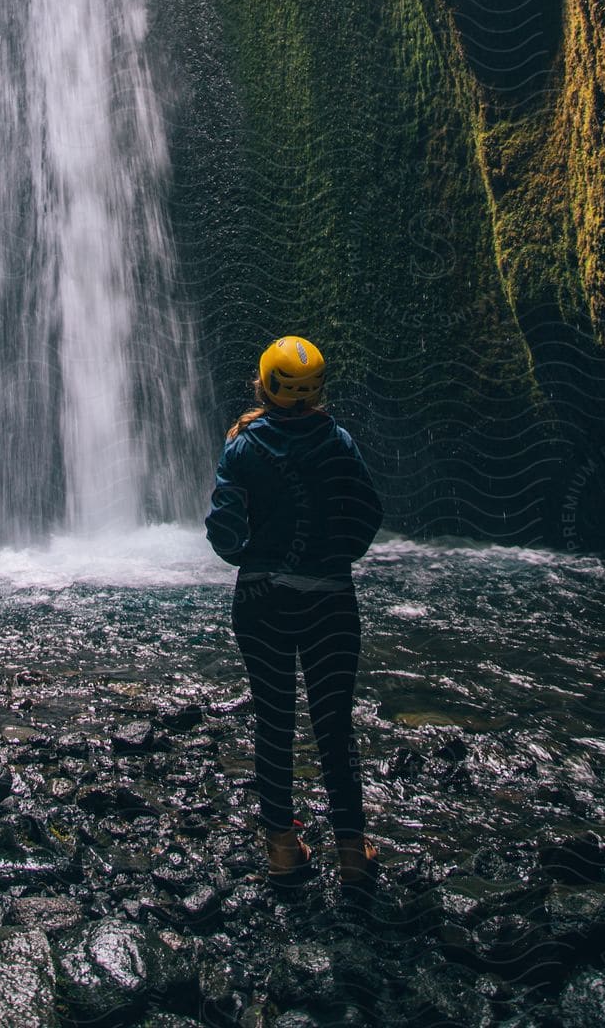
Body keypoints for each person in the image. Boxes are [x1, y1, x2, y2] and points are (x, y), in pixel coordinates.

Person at [205, 335, 384, 890]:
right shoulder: (340, 442)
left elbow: (225, 531)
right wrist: (332, 559)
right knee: (334, 725)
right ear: (317, 390)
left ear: (262, 385)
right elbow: (366, 514)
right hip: (330, 600)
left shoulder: (241, 447)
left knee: (274, 721)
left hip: (260, 601)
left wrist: (253, 556)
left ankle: (282, 848)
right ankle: (353, 852)